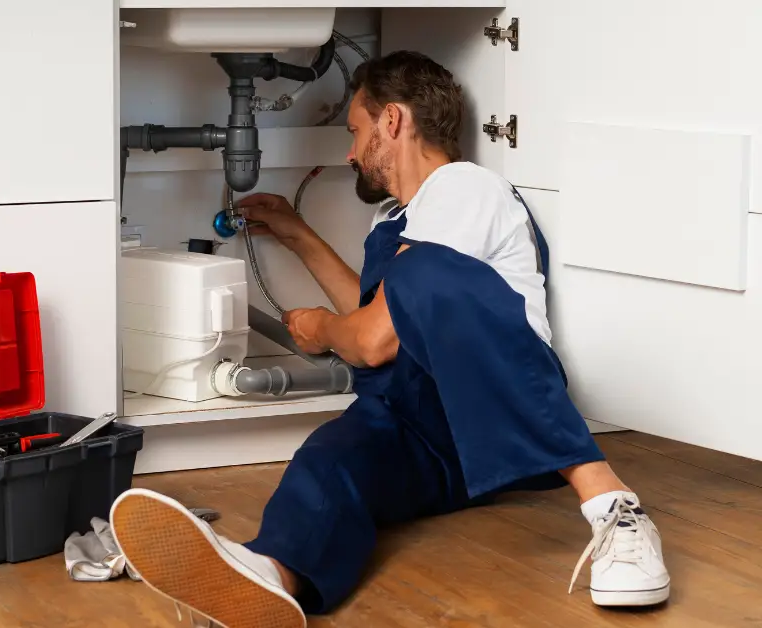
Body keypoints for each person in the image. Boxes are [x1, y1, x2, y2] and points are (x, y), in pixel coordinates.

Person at [108, 50, 670, 627]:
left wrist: (322, 329)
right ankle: (272, 575)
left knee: (421, 274)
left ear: (393, 120)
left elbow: (374, 340)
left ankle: (615, 508)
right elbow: (375, 316)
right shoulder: (395, 219)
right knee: (331, 457)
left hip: (498, 413)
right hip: (423, 432)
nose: (351, 153)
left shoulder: (464, 188)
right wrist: (298, 235)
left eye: (356, 131)